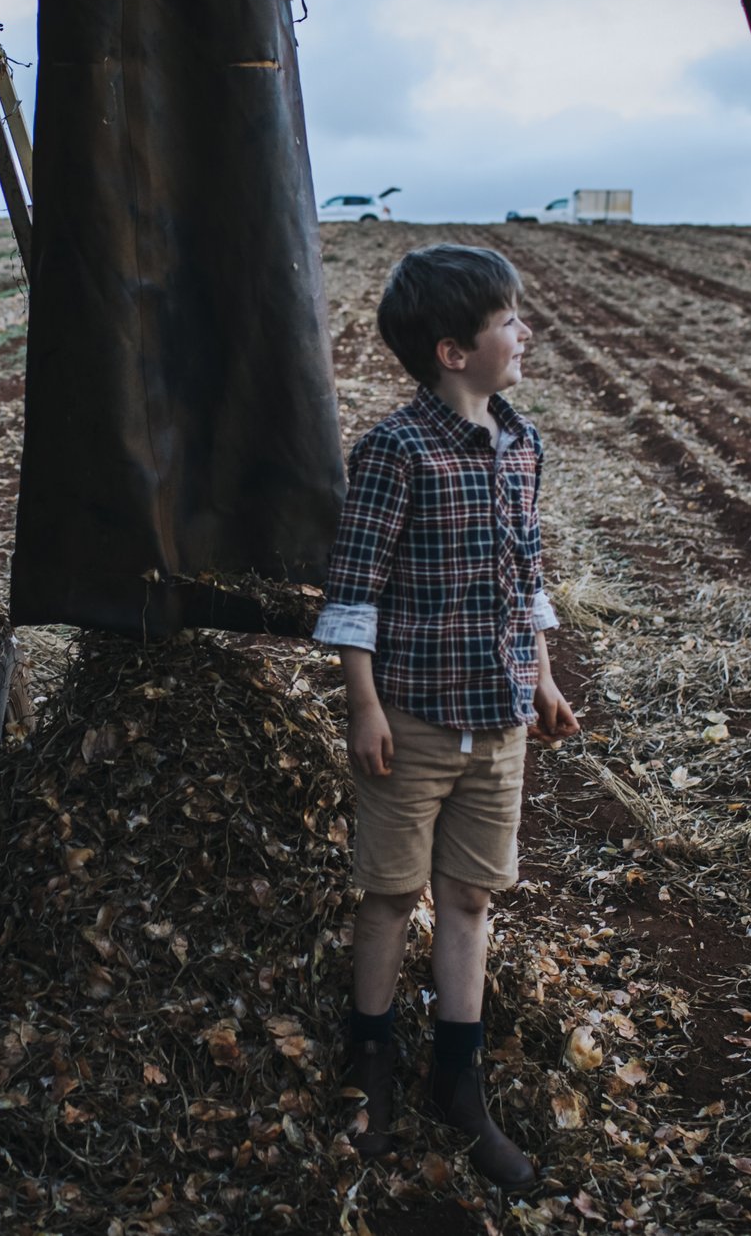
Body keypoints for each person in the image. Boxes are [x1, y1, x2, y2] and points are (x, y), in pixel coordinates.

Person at [311, 242, 579, 1192]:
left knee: (468, 898)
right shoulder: (395, 451)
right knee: (389, 896)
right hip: (414, 724)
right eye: (509, 320)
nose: (525, 331)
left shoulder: (524, 443)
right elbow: (354, 590)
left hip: (500, 722)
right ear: (453, 350)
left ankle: (458, 1086)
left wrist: (541, 675)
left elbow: (527, 580)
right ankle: (370, 1066)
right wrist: (365, 705)